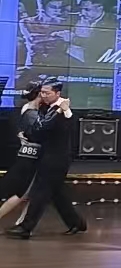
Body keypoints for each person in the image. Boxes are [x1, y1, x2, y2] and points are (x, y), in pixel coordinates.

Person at [5, 78, 86, 239]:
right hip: (48, 156)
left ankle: (26, 228)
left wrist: (59, 111)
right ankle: (77, 223)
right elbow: (38, 130)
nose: (43, 95)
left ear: (57, 93)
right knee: (58, 195)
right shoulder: (48, 108)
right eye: (42, 92)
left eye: (47, 93)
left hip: (56, 159)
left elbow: (45, 127)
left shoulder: (63, 110)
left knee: (39, 193)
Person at [0, 81, 44, 222]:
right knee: (21, 193)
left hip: (28, 156)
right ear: (39, 94)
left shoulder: (30, 109)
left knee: (26, 193)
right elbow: (40, 132)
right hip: (29, 158)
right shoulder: (32, 112)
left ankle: (22, 223)